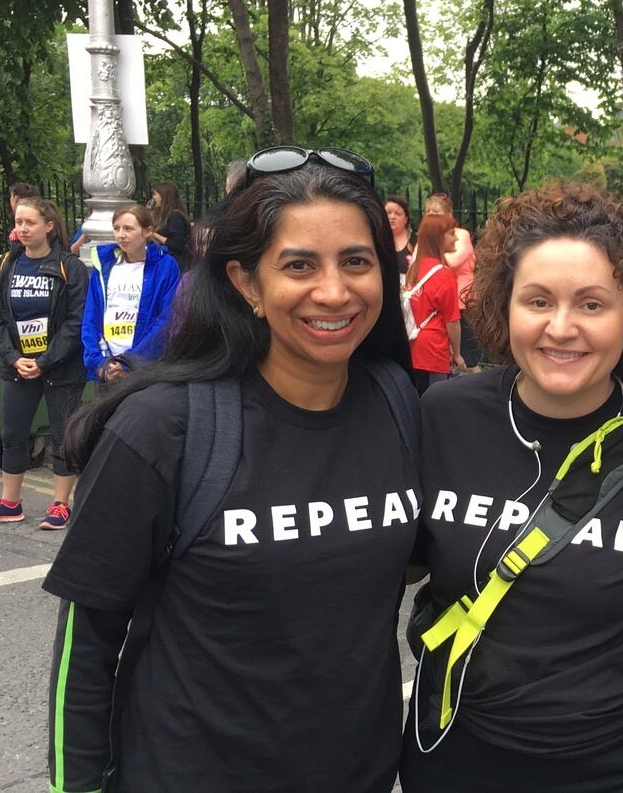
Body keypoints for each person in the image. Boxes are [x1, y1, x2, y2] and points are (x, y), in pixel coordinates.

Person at [43, 148, 419, 793]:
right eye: (298, 265)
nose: (334, 291)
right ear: (246, 283)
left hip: (362, 773)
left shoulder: (398, 402)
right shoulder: (163, 428)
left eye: (356, 261)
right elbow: (87, 648)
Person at [399, 182, 623, 793]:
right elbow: (383, 570)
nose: (561, 328)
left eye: (592, 305)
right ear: (503, 308)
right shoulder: (444, 417)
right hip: (459, 756)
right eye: (537, 301)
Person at [0, 196, 87, 531]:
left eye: (29, 222)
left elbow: (76, 323)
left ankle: (61, 505)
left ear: (49, 225)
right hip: (18, 366)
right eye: (19, 222)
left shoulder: (70, 267)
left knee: (64, 436)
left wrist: (45, 361)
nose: (22, 229)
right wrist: (14, 357)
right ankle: (9, 503)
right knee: (13, 434)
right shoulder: (7, 263)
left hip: (61, 368)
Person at [81, 205, 181, 384]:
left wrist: (130, 362)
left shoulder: (165, 266)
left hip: (144, 370)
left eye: (128, 228)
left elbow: (167, 319)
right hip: (107, 369)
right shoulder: (103, 266)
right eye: (116, 228)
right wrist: (99, 363)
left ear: (147, 231)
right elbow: (91, 317)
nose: (121, 235)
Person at [405, 213, 465, 394]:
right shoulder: (444, 274)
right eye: (452, 233)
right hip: (434, 350)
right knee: (432, 401)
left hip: (412, 345)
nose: (455, 238)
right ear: (438, 238)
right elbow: (452, 322)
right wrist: (457, 354)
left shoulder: (415, 267)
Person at [424, 192, 480, 369]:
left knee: (468, 360)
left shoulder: (460, 234)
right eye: (428, 211)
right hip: (438, 305)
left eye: (435, 211)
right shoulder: (427, 239)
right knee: (448, 360)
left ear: (448, 214)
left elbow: (454, 261)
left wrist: (432, 250)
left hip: (463, 303)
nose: (431, 215)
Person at [147, 181, 191, 270]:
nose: (153, 197)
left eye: (155, 194)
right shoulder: (163, 216)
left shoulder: (175, 216)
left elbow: (177, 244)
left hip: (175, 262)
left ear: (164, 196)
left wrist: (155, 235)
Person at [385, 194, 415, 276]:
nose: (392, 217)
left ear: (406, 219)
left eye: (398, 214)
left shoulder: (416, 241)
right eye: (388, 213)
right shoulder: (376, 240)